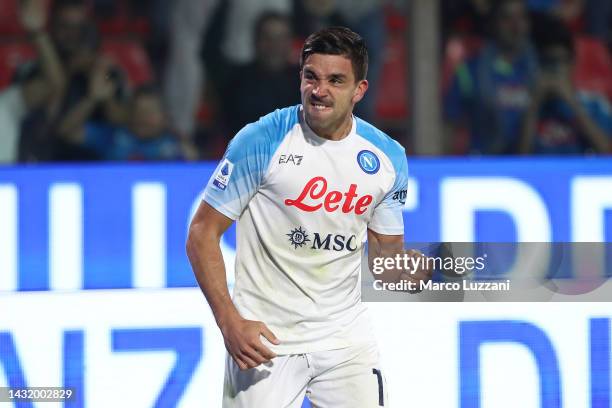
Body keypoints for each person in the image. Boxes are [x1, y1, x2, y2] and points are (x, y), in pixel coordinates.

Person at [187, 27, 430, 407]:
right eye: (311, 77)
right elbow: (201, 233)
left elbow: (384, 262)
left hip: (345, 341)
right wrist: (228, 322)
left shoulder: (387, 158)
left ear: (360, 90)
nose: (319, 91)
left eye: (336, 80)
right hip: (265, 343)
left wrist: (411, 272)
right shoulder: (261, 140)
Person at [444, 0, 538, 154]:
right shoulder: (469, 70)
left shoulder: (540, 70)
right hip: (484, 163)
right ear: (494, 24)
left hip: (533, 161)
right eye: (507, 18)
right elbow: (449, 125)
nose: (516, 26)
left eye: (521, 17)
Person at [520, 16, 611, 154]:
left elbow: (607, 153)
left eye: (560, 62)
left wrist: (572, 103)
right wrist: (534, 106)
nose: (554, 69)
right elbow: (519, 159)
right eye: (548, 62)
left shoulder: (595, 104)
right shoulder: (524, 105)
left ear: (572, 63)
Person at [220, 11, 301, 137]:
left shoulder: (304, 82)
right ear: (256, 41)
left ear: (290, 41)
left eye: (281, 38)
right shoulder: (236, 81)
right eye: (267, 38)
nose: (274, 45)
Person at [57, 82, 183, 161]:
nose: (142, 117)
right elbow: (66, 132)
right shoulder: (113, 137)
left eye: (150, 112)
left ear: (164, 117)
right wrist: (92, 98)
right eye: (137, 110)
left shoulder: (178, 148)